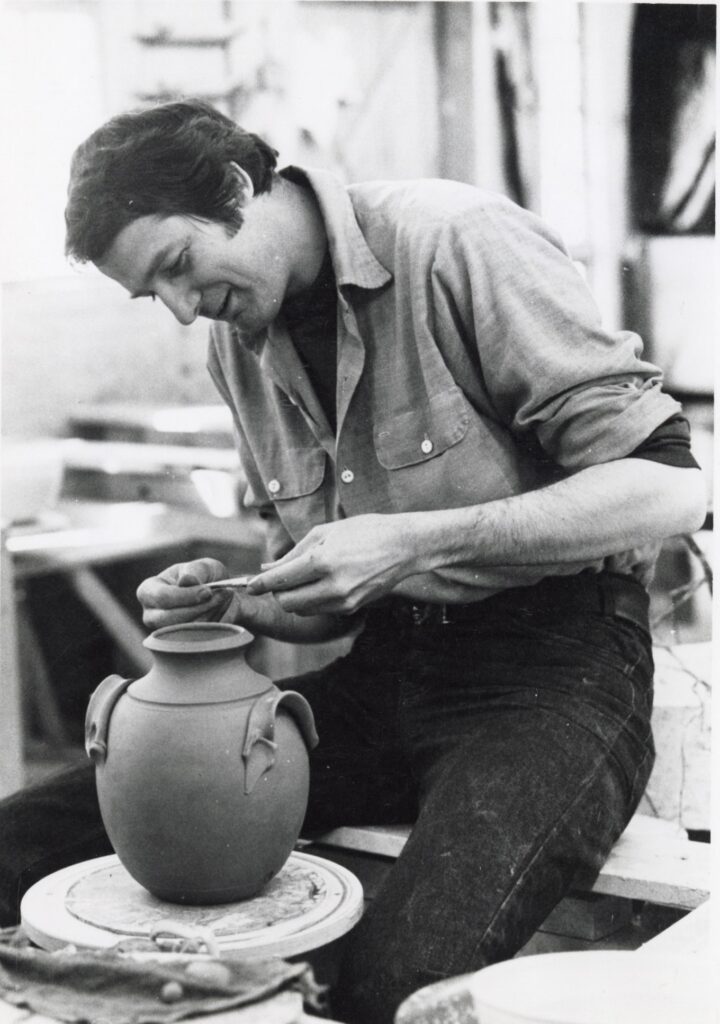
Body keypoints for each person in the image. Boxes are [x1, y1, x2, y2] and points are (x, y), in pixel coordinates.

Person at [0, 100, 706, 1023]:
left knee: (391, 980)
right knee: (18, 842)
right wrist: (238, 598)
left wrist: (419, 539)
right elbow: (328, 594)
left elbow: (669, 488)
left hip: (555, 674)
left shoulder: (456, 240)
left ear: (237, 188)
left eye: (177, 266)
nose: (180, 311)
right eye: (152, 296)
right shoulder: (237, 341)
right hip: (385, 670)